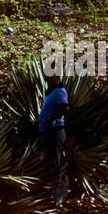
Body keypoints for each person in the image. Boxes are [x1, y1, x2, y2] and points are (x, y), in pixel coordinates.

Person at [39, 75, 70, 205]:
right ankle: (51, 197)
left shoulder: (59, 91)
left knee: (55, 165)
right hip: (48, 132)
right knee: (50, 164)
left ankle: (56, 199)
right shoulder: (51, 92)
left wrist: (50, 118)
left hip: (55, 132)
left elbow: (64, 107)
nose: (48, 78)